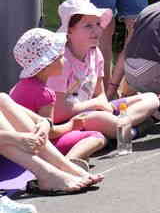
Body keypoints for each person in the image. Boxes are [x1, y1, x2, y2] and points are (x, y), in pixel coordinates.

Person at [50, 0, 159, 143]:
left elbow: (99, 94)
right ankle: (131, 130)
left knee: (151, 98)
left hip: (96, 111)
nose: (97, 30)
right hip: (74, 119)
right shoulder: (60, 61)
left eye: (98, 24)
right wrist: (95, 105)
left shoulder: (95, 53)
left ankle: (121, 128)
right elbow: (58, 113)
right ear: (69, 30)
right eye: (88, 26)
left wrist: (103, 105)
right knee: (101, 118)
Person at [10, 29, 106, 167]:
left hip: (17, 147)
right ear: (46, 65)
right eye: (60, 57)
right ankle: (66, 164)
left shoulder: (18, 87)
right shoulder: (45, 94)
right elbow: (50, 133)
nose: (65, 59)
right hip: (36, 148)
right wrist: (72, 125)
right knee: (96, 137)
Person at [0, 92, 103, 197]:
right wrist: (13, 138)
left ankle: (62, 166)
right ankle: (46, 173)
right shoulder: (43, 93)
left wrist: (44, 122)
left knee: (2, 97)